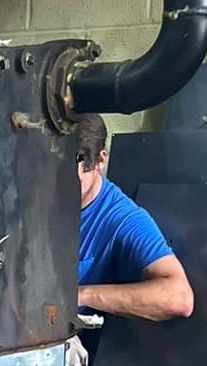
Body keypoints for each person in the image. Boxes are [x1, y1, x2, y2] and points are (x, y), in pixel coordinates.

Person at [76, 113, 194, 322]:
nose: (59, 189)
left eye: (73, 180)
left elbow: (179, 297)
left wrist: (79, 295)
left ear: (100, 161)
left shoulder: (124, 220)